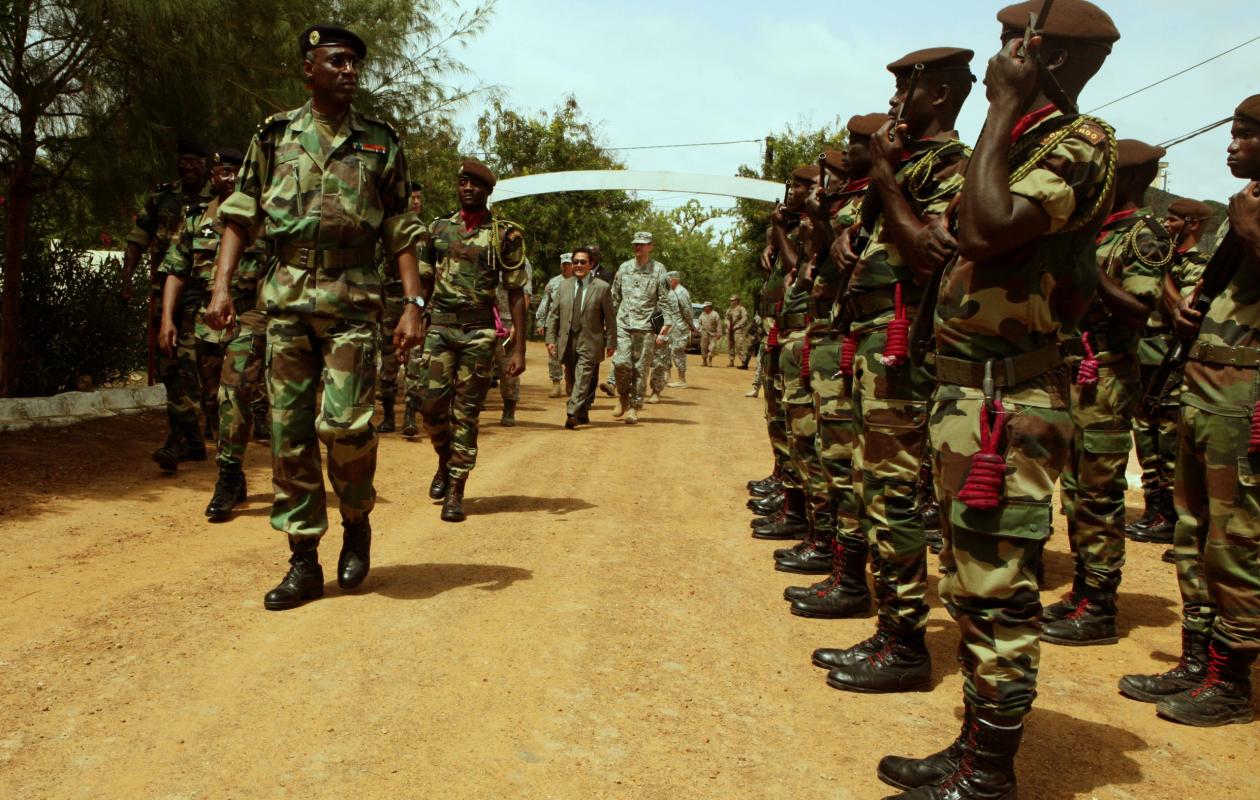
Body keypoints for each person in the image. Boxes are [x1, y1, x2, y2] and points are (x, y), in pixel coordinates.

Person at [876, 3, 1119, 796]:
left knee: (1000, 593)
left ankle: (988, 774)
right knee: (971, 585)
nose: (994, 61)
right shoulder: (1013, 143)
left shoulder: (1081, 143)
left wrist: (1006, 107)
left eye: (1011, 45)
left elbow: (984, 231)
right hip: (967, 394)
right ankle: (974, 744)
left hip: (1008, 403)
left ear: (1041, 53)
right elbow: (945, 241)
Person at [205, 24, 425, 610]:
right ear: (309, 69)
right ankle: (304, 560)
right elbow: (240, 215)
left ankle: (356, 520)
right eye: (337, 61)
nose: (349, 70)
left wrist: (414, 304)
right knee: (290, 435)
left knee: (346, 426)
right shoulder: (275, 136)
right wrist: (222, 286)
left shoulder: (380, 141)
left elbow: (401, 226)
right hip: (285, 302)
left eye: (355, 62)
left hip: (353, 302)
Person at [1118, 95, 1260, 727]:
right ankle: (1197, 658)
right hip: (1204, 390)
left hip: (1244, 399)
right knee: (1191, 533)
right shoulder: (1246, 207)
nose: (1231, 144)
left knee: (1236, 542)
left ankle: (1231, 680)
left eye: (1247, 134)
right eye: (1232, 132)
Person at [1045, 139, 1171, 646]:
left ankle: (1100, 605)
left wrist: (1088, 269)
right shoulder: (1096, 228)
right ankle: (1082, 590)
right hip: (1075, 372)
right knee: (1074, 492)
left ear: (1132, 180)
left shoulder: (1144, 235)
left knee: (1098, 494)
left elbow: (1141, 310)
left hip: (1110, 376)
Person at [157, 148, 269, 520]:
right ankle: (234, 474)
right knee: (212, 402)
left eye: (233, 171)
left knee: (234, 393)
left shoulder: (264, 218)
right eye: (220, 171)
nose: (226, 177)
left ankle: (227, 477)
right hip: (208, 317)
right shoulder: (194, 220)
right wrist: (167, 320)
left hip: (250, 313)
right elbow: (176, 270)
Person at [415, 160, 528, 521]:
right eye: (463, 182)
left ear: (488, 191)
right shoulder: (437, 230)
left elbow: (515, 292)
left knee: (466, 413)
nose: (468, 188)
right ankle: (445, 459)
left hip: (479, 333)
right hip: (439, 329)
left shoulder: (504, 235)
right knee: (430, 407)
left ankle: (455, 490)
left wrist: (520, 347)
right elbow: (424, 283)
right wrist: (413, 319)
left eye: (476, 184)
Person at [1127, 197, 1214, 544]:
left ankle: (1170, 515)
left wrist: (1158, 272)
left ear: (1193, 224)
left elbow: (1184, 309)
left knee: (1167, 444)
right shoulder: (1159, 257)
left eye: (1175, 219)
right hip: (1143, 359)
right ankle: (1153, 510)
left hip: (1169, 363)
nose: (1166, 222)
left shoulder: (1198, 265)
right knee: (1145, 438)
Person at [125, 139, 213, 470]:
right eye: (184, 161)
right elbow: (137, 238)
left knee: (187, 363)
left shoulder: (218, 198)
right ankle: (192, 440)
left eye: (195, 162)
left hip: (200, 292)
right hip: (163, 291)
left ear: (205, 165)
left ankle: (177, 440)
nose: (189, 167)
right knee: (168, 364)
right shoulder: (162, 197)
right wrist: (126, 279)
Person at [611, 231, 678, 423]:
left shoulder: (659, 270)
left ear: (651, 246)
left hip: (646, 326)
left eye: (642, 244)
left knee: (641, 367)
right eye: (635, 244)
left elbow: (665, 300)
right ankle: (622, 396)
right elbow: (615, 297)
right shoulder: (624, 268)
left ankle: (634, 406)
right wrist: (608, 321)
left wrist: (667, 323)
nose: (638, 247)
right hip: (623, 323)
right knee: (621, 363)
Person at [545, 247, 616, 429]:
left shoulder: (602, 288)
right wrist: (550, 338)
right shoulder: (563, 286)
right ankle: (582, 413)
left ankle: (572, 412)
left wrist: (611, 342)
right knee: (573, 381)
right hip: (567, 340)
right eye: (575, 262)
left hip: (590, 340)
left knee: (583, 376)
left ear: (591, 265)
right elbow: (554, 315)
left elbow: (610, 318)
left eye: (582, 262)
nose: (577, 265)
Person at [377, 182, 425, 433]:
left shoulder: (428, 235)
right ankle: (387, 416)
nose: (416, 202)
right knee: (388, 361)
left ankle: (409, 416)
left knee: (415, 362)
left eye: (419, 198)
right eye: (412, 198)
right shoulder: (389, 232)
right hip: (391, 302)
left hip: (417, 305)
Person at [493, 259, 532, 426]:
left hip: (507, 321)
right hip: (481, 319)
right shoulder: (479, 250)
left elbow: (525, 295)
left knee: (508, 368)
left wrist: (518, 325)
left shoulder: (518, 259)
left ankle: (509, 407)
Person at [536, 253, 574, 398]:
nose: (566, 266)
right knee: (553, 355)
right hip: (554, 323)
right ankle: (556, 384)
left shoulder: (579, 282)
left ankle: (570, 381)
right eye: (564, 264)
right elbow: (545, 303)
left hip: (571, 324)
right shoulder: (553, 283)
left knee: (571, 355)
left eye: (568, 263)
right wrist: (540, 321)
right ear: (561, 265)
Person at [666, 271, 696, 388]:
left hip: (680, 326)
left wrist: (691, 325)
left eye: (668, 280)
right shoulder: (672, 291)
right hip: (673, 326)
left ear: (674, 280)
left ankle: (682, 380)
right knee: (668, 350)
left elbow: (686, 310)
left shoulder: (681, 292)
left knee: (678, 350)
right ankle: (667, 376)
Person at [725, 295, 749, 367]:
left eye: (733, 300)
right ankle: (731, 361)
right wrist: (728, 324)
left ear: (737, 301)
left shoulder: (741, 309)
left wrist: (737, 326)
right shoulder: (729, 309)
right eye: (731, 300)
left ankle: (743, 362)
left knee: (739, 346)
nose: (731, 302)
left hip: (738, 330)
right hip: (729, 330)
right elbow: (726, 319)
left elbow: (745, 318)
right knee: (730, 345)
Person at [697, 301, 721, 366]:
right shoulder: (702, 314)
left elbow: (719, 324)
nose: (704, 308)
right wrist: (698, 329)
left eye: (705, 307)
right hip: (704, 333)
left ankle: (710, 359)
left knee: (712, 347)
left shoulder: (715, 314)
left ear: (709, 307)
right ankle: (704, 360)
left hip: (713, 333)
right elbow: (699, 322)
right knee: (703, 347)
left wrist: (719, 333)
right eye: (704, 307)